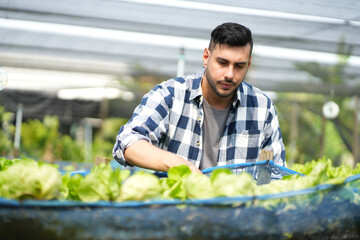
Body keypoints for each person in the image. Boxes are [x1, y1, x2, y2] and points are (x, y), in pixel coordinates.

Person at [113, 22, 286, 174]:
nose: (229, 74)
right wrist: (177, 163)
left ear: (248, 65)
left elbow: (276, 173)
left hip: (235, 209)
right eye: (222, 62)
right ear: (206, 57)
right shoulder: (171, 95)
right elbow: (128, 141)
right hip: (175, 208)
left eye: (239, 66)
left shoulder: (262, 108)